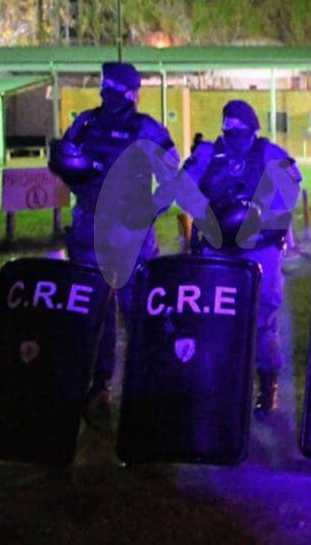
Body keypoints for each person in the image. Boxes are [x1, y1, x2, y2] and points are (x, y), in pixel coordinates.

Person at [48, 61, 178, 424]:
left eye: (114, 87)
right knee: (97, 312)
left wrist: (153, 208)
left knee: (137, 310)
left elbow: (172, 174)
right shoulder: (86, 123)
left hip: (130, 232)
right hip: (90, 228)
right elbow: (63, 162)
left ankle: (145, 385)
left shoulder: (145, 128)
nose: (110, 93)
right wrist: (75, 176)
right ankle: (100, 386)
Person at [177, 100, 302, 418]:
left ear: (252, 131)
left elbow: (290, 191)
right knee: (216, 317)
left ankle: (268, 384)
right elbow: (183, 187)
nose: (236, 144)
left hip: (260, 246)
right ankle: (220, 384)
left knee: (263, 318)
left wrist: (259, 215)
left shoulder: (268, 153)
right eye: (231, 135)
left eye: (241, 136)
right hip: (219, 246)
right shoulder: (208, 153)